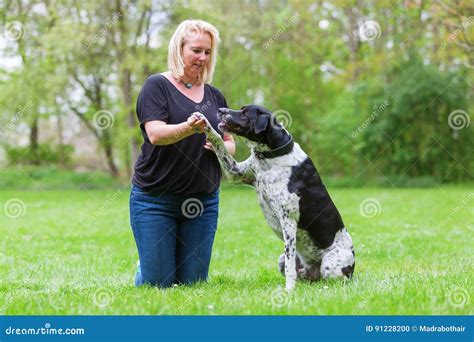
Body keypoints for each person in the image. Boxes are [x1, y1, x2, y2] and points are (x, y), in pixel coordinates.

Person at [129, 19, 235, 288]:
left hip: (203, 201)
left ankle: (161, 260)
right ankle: (149, 263)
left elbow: (230, 142)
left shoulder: (215, 96)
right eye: (196, 50)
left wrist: (222, 147)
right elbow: (156, 134)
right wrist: (189, 128)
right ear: (179, 49)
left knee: (193, 285)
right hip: (155, 199)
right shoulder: (156, 86)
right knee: (159, 285)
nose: (202, 58)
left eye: (207, 52)